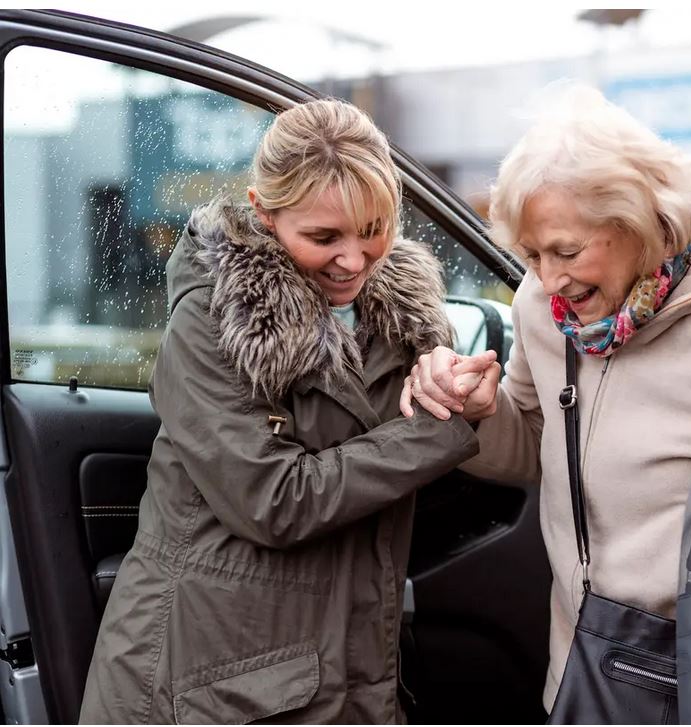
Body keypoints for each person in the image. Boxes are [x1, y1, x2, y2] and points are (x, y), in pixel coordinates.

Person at [400, 84, 691, 712]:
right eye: (532, 254)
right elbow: (536, 447)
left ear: (643, 218)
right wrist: (481, 412)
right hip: (580, 671)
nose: (549, 278)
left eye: (567, 251)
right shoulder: (545, 305)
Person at [79, 99, 478, 724]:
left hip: (343, 662)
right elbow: (275, 499)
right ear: (264, 213)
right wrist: (438, 427)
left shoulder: (404, 316)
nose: (355, 260)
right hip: (206, 678)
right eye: (324, 238)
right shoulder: (213, 320)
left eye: (375, 228)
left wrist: (454, 384)